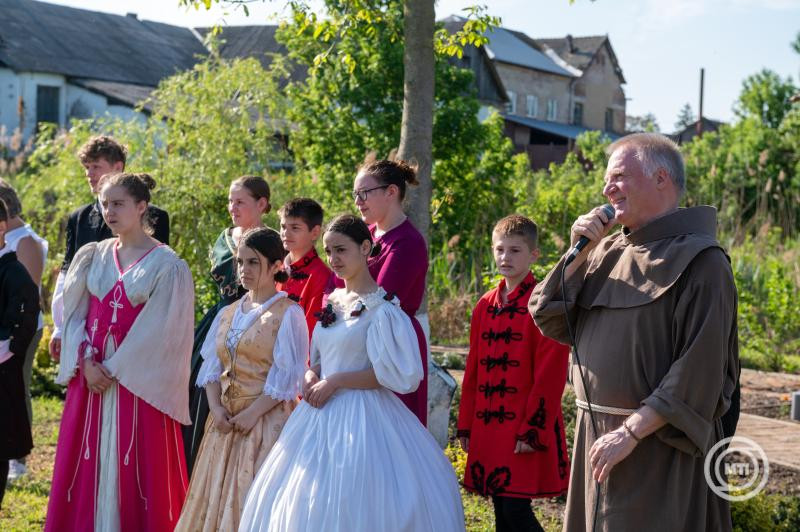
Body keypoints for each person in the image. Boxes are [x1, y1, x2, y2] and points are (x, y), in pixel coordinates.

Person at [528, 133, 739, 531]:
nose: (607, 188)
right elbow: (549, 316)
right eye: (607, 179)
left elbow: (700, 368)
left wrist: (631, 432)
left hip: (656, 447)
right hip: (596, 440)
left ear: (661, 178)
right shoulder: (605, 252)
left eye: (619, 176)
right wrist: (578, 251)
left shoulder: (704, 262)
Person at [238, 214, 464, 532]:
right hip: (317, 415)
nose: (334, 259)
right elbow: (319, 359)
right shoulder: (333, 301)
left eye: (341, 250)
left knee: (361, 496)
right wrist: (311, 375)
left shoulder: (384, 311)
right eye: (329, 251)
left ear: (365, 248)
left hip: (365, 416)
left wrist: (338, 380)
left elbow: (392, 375)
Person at [45, 172, 194, 532]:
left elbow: (164, 333)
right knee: (86, 461)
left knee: (137, 470)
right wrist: (85, 362)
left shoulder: (166, 265)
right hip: (91, 378)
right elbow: (76, 313)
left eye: (118, 204)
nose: (109, 212)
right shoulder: (92, 255)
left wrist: (112, 369)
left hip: (137, 385)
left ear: (141, 207)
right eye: (105, 204)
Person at [176, 228, 307, 532]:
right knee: (211, 499)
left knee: (251, 500)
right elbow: (211, 367)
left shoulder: (288, 314)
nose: (244, 271)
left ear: (276, 266)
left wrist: (251, 414)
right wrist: (215, 408)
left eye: (253, 263)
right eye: (240, 262)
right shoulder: (229, 312)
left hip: (263, 424)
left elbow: (287, 379)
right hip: (223, 424)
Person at [457, 215, 570, 532]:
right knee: (501, 511)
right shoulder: (484, 305)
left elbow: (550, 375)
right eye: (500, 249)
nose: (505, 258)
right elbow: (474, 371)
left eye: (515, 250)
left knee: (515, 510)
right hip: (488, 428)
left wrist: (533, 429)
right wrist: (466, 425)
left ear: (534, 254)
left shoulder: (544, 305)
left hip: (523, 427)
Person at [49, 135, 169, 362]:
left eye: (96, 166)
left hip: (130, 323)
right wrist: (60, 326)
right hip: (83, 323)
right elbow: (68, 274)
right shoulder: (79, 217)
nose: (89, 173)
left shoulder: (152, 215)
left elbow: (156, 275)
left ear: (118, 167)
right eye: (86, 167)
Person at [184, 175, 271, 475]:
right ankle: (197, 472)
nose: (232, 207)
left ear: (261, 204)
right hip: (220, 319)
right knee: (199, 389)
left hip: (256, 320)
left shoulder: (270, 241)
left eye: (240, 201)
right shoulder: (224, 237)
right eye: (230, 201)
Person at [347, 158, 429, 425]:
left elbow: (378, 300)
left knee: (389, 435)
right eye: (355, 194)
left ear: (391, 192)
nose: (358, 201)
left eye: (364, 193)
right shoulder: (367, 234)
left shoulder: (408, 242)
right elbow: (339, 285)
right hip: (358, 337)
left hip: (392, 344)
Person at [0, 179, 48, 481]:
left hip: (17, 334)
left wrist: (10, 340)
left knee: (17, 390)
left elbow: (26, 296)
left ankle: (18, 456)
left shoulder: (25, 240)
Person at [276, 197, 332, 338]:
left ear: (314, 232)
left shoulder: (321, 276)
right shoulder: (275, 267)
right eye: (283, 227)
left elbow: (311, 332)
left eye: (295, 228)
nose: (286, 233)